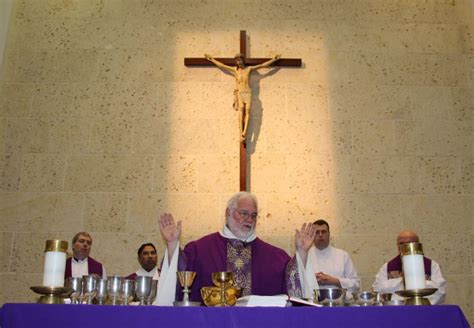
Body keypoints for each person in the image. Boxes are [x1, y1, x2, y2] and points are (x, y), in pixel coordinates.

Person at [155, 191, 318, 305]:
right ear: (228, 213)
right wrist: (172, 246)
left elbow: (294, 285)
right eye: (244, 213)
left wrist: (302, 253)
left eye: (254, 215)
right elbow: (180, 277)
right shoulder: (199, 249)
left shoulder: (275, 255)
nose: (250, 219)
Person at [204, 53, 281, 141]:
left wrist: (274, 59)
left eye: (239, 60)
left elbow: (262, 65)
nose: (238, 62)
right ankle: (241, 133)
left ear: (242, 60)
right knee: (241, 109)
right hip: (240, 92)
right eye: (237, 61)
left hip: (247, 92)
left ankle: (244, 131)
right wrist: (212, 59)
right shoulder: (235, 70)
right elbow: (222, 66)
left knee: (247, 111)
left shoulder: (249, 69)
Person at [372, 230, 446, 304]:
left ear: (416, 244)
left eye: (408, 243)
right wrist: (405, 281)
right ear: (397, 245)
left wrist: (396, 284)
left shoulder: (432, 265)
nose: (404, 246)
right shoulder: (387, 267)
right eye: (401, 243)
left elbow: (440, 291)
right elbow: (378, 290)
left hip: (425, 308)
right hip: (397, 310)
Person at [304, 219, 360, 297]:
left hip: (338, 305)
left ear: (329, 234)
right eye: (317, 232)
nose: (320, 235)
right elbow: (296, 285)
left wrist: (334, 281)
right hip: (312, 305)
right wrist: (312, 280)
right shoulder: (304, 256)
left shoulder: (343, 255)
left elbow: (356, 285)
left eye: (323, 232)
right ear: (312, 235)